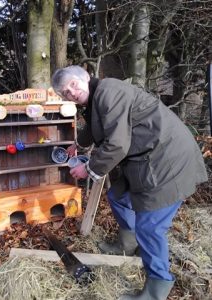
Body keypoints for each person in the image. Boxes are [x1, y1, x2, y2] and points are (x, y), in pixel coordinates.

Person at [51, 65, 208, 300]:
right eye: (65, 93)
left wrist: (90, 168)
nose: (71, 93)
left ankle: (157, 289)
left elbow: (117, 145)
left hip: (167, 159)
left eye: (72, 85)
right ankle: (127, 243)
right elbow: (94, 126)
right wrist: (78, 145)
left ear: (85, 76)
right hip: (146, 159)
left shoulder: (109, 92)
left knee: (150, 227)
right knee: (118, 197)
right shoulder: (95, 99)